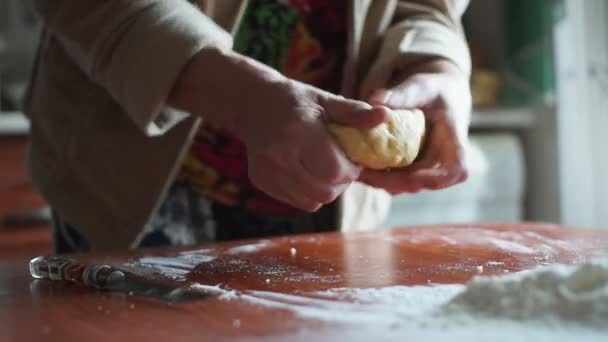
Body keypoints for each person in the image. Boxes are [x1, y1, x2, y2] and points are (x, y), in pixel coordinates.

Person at [24, 0, 472, 253]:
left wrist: (439, 66)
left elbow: (428, 7)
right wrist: (243, 99)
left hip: (335, 201)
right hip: (128, 183)